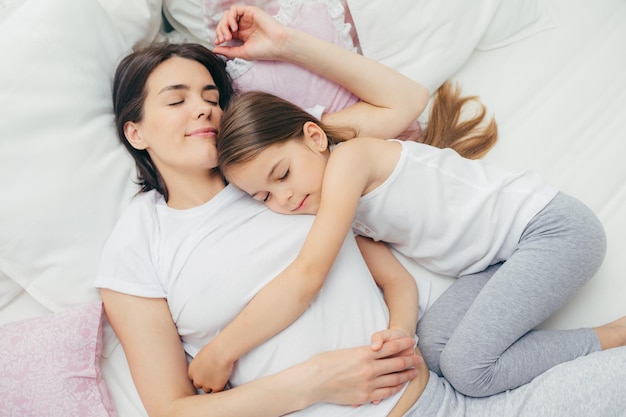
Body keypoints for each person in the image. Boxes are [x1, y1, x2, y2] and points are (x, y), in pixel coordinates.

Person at [96, 5, 626, 417]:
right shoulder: (141, 241)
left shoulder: (289, 166)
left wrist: (285, 43)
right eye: (176, 99)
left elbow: (401, 104)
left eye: (211, 94)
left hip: (443, 401)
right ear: (135, 132)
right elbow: (171, 409)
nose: (204, 107)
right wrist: (313, 381)